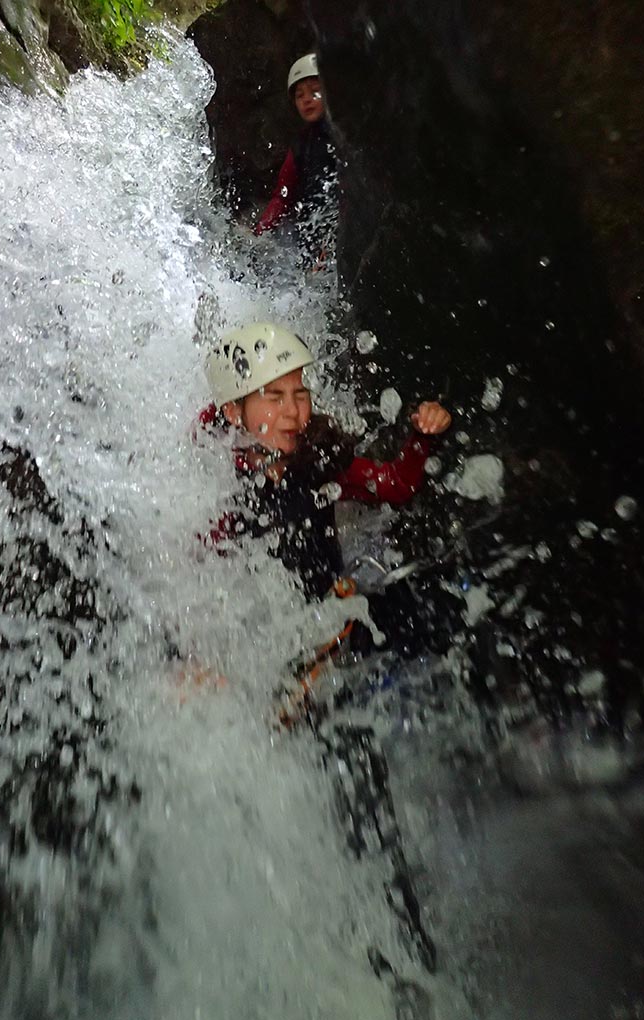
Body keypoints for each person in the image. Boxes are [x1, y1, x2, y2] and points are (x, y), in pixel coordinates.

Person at [201, 322, 455, 659]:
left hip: (330, 621)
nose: (293, 412)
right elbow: (196, 586)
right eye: (275, 397)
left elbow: (396, 486)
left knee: (429, 610)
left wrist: (422, 438)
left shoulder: (317, 458)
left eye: (300, 394)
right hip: (261, 643)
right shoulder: (216, 485)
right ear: (233, 412)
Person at [254, 54, 339, 262]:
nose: (307, 99)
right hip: (311, 232)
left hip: (338, 230)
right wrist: (259, 233)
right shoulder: (301, 144)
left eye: (315, 92)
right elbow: (283, 196)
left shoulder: (341, 136)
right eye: (300, 95)